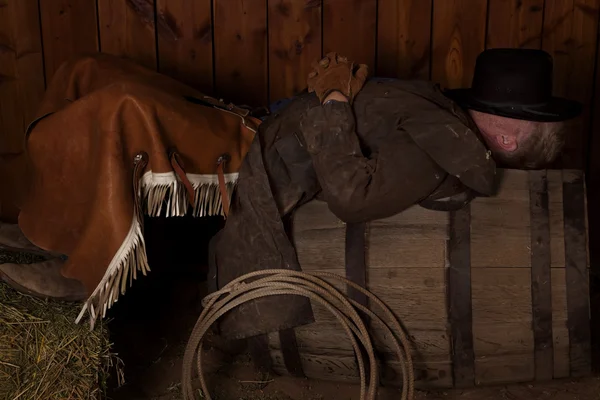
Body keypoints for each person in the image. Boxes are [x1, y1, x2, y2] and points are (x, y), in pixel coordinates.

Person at [207, 48, 582, 341]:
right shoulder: (440, 146)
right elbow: (352, 199)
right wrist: (334, 99)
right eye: (540, 120)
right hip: (272, 152)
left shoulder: (445, 122)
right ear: (506, 139)